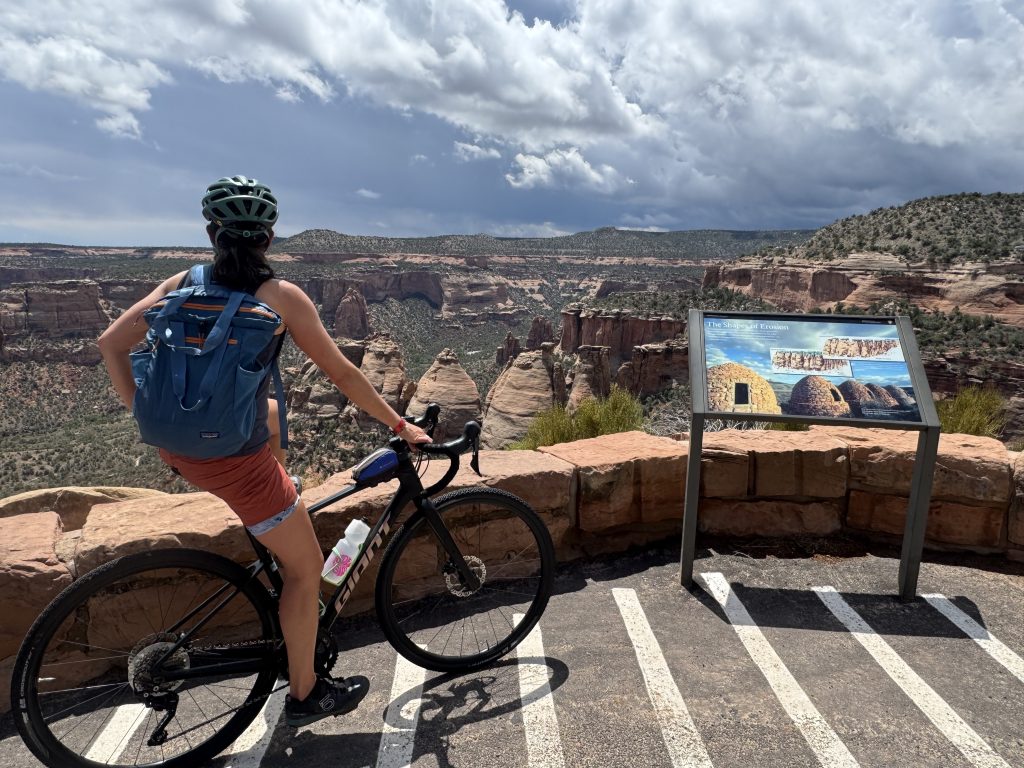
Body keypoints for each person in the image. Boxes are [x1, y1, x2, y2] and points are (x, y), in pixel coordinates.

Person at [97, 175, 431, 727]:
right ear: (268, 238)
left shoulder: (184, 280)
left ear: (212, 232)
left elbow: (111, 344)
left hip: (178, 447)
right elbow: (344, 373)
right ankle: (306, 692)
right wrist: (399, 422)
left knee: (276, 413)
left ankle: (278, 500)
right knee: (306, 573)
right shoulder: (280, 296)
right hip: (235, 463)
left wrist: (144, 418)